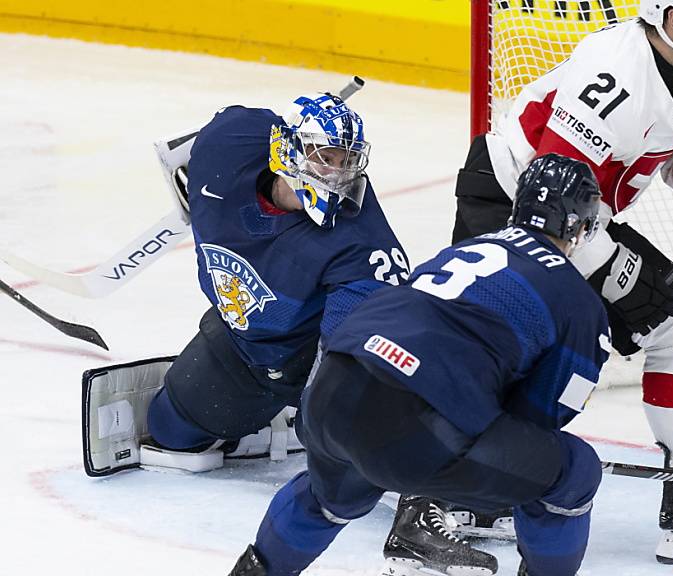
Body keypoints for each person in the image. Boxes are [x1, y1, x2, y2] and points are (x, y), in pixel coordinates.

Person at [446, 0, 673, 564]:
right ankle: (451, 497)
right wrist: (613, 272)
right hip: (512, 200)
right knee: (499, 348)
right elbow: (549, 189)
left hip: (583, 219)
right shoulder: (612, 68)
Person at [109, 92, 495, 570]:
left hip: (302, 360)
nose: (338, 175)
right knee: (169, 431)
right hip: (238, 341)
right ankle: (260, 424)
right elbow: (225, 125)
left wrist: (352, 437)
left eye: (347, 162)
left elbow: (362, 368)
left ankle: (431, 492)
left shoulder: (360, 247)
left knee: (355, 420)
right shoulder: (228, 143)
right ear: (285, 150)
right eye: (325, 158)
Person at [227, 154, 610, 576]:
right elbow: (539, 419)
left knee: (332, 495)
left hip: (331, 390)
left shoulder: (466, 249)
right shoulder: (578, 301)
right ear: (580, 223)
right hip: (418, 428)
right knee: (574, 471)